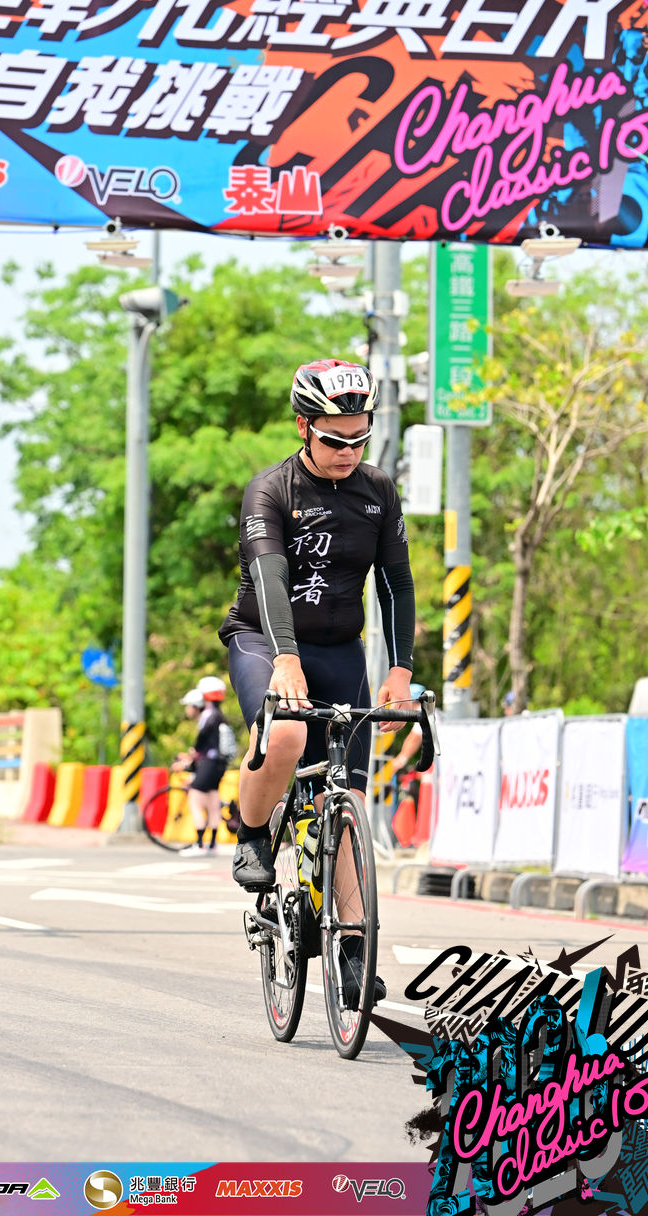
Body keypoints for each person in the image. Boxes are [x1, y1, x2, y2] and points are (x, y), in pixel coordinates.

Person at [218, 358, 416, 1006]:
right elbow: (271, 580)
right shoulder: (270, 491)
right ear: (304, 428)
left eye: (360, 439)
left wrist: (400, 671)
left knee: (349, 798)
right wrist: (284, 658)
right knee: (286, 735)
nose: (348, 452)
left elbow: (396, 583)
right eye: (335, 439)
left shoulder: (378, 491)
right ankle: (252, 834)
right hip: (263, 640)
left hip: (339, 651)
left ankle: (351, 952)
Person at [171, 677, 230, 855]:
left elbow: (202, 742)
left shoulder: (208, 716)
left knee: (195, 799)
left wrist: (189, 759)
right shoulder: (219, 715)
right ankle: (212, 844)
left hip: (209, 763)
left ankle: (199, 844)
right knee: (212, 801)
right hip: (219, 764)